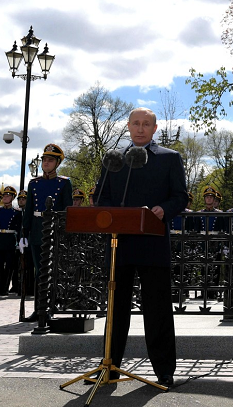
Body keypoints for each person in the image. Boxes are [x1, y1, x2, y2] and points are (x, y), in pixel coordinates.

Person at [94, 107, 187, 387]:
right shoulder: (114, 159)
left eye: (146, 124)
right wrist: (112, 213)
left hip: (153, 243)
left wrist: (163, 209)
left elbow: (180, 196)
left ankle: (164, 371)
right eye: (136, 123)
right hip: (119, 244)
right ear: (128, 126)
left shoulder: (170, 159)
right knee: (116, 309)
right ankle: (109, 369)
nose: (140, 128)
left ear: (154, 129)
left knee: (157, 309)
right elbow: (102, 196)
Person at [21, 143, 73, 321]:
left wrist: (65, 233)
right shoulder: (34, 184)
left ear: (57, 163)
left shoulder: (64, 183)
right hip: (36, 230)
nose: (46, 163)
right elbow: (28, 210)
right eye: (44, 159)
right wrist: (24, 232)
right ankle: (38, 309)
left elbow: (67, 210)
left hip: (54, 230)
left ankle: (50, 308)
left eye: (50, 160)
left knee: (51, 272)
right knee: (39, 271)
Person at [0, 186, 21, 296]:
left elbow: (18, 229)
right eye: (4, 195)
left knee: (9, 265)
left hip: (10, 240)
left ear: (12, 198)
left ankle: (5, 288)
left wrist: (19, 242)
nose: (5, 198)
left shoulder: (17, 212)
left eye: (8, 196)